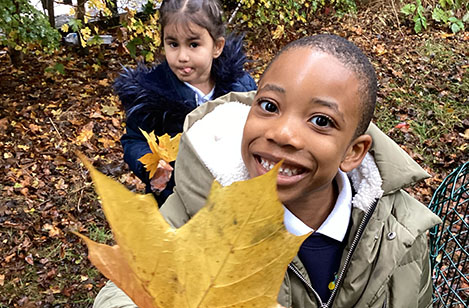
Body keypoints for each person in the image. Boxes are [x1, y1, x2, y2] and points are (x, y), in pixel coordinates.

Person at [94, 34, 441, 307]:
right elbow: (127, 288)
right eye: (269, 106)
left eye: (320, 121)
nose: (282, 133)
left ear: (353, 151)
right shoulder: (196, 208)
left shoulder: (401, 235)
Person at [114, 0, 257, 205]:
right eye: (173, 44)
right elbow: (134, 140)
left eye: (193, 45)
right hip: (177, 199)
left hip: (234, 196)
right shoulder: (151, 96)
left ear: (216, 46)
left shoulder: (240, 87)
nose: (182, 56)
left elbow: (258, 129)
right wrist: (153, 167)